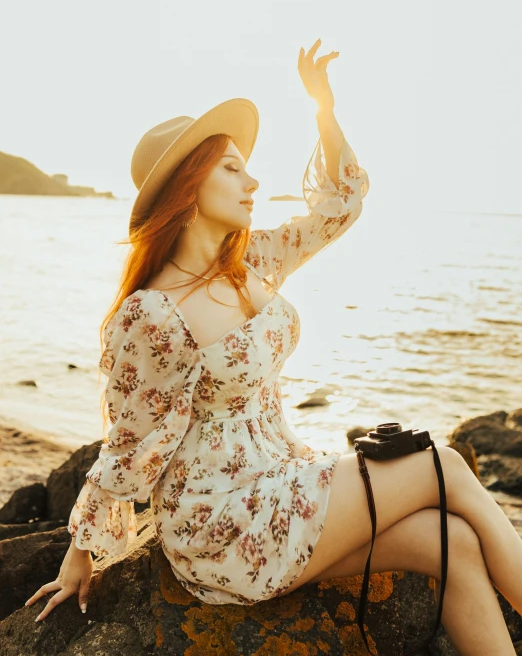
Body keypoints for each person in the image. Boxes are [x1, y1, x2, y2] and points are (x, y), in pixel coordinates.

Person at [25, 41, 521, 655]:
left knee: (455, 542)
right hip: (221, 523)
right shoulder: (151, 313)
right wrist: (82, 554)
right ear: (187, 185)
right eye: (232, 168)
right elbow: (130, 441)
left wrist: (324, 111)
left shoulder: (250, 261)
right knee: (441, 463)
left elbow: (342, 206)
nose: (253, 179)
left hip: (282, 479)